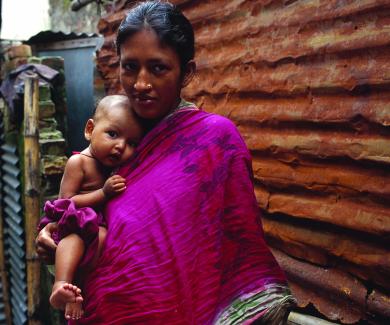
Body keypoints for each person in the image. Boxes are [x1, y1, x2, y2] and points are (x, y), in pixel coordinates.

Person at [36, 2, 296, 324]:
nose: (141, 84)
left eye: (157, 68)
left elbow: (236, 239)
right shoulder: (117, 139)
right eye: (129, 67)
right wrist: (52, 235)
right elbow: (80, 209)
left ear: (186, 72)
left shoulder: (212, 141)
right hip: (99, 310)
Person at [38, 95, 143, 320]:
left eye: (132, 143)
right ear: (89, 129)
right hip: (73, 220)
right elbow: (66, 201)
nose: (120, 147)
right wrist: (103, 193)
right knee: (76, 237)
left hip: (95, 225)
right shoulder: (79, 163)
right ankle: (61, 284)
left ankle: (77, 293)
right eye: (112, 134)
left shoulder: (111, 166)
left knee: (102, 238)